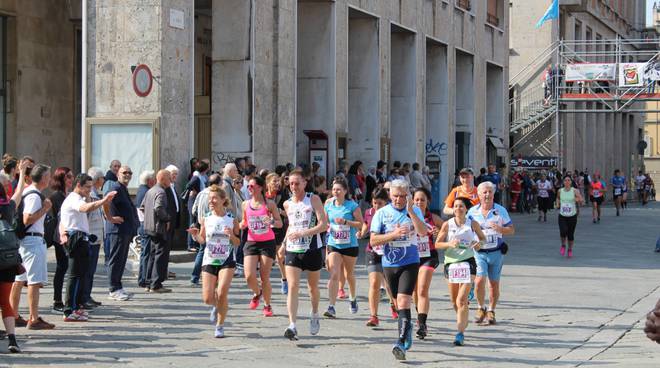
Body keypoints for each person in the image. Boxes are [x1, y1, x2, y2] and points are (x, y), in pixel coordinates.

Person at [370, 179, 428, 361]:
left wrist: (411, 211)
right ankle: (407, 328)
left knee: (404, 301)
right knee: (396, 303)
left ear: (408, 196)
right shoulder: (381, 213)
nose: (399, 200)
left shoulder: (414, 210)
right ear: (390, 195)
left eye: (403, 196)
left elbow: (423, 232)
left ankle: (400, 342)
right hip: (389, 263)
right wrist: (394, 235)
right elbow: (373, 241)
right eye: (395, 196)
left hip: (410, 261)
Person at [59, 174, 116, 321]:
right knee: (74, 275)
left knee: (81, 275)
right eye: (87, 187)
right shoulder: (74, 199)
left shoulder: (78, 198)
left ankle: (76, 307)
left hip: (82, 238)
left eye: (91, 187)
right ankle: (69, 310)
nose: (90, 190)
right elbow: (85, 208)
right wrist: (104, 200)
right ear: (79, 185)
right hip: (76, 239)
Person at [187, 185, 241, 338]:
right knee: (207, 298)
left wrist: (231, 235)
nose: (211, 201)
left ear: (223, 200)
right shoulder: (206, 218)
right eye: (209, 198)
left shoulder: (232, 219)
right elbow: (202, 240)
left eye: (214, 198)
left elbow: (238, 242)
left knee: (222, 292)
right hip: (209, 259)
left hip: (227, 260)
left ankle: (220, 325)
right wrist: (195, 236)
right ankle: (217, 306)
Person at [282, 170, 328, 340]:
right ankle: (292, 325)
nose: (293, 187)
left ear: (304, 183)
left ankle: (315, 313)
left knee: (312, 288)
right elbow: (291, 226)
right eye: (291, 183)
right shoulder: (287, 204)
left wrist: (304, 233)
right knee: (293, 286)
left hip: (312, 248)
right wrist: (284, 243)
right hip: (293, 249)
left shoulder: (313, 199)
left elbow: (324, 225)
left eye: (297, 183)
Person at [435, 196, 486, 346]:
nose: (458, 209)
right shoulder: (447, 224)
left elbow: (483, 240)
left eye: (461, 206)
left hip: (468, 263)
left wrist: (478, 244)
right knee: (454, 301)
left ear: (466, 209)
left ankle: (460, 332)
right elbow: (437, 244)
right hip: (451, 264)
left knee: (461, 300)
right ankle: (462, 319)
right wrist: (449, 244)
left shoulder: (473, 224)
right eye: (455, 206)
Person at [10, 164, 55, 330]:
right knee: (33, 281)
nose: (49, 179)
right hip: (32, 241)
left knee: (19, 279)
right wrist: (45, 209)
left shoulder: (29, 192)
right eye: (48, 175)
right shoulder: (34, 196)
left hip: (27, 241)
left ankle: (13, 314)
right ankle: (33, 318)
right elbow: (27, 218)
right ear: (43, 178)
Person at [468, 181, 515, 326]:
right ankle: (480, 308)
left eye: (490, 192)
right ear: (479, 194)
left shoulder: (500, 210)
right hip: (479, 252)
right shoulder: (472, 212)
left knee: (493, 285)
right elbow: (466, 231)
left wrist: (501, 229)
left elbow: (512, 230)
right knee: (479, 281)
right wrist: (471, 242)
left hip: (496, 253)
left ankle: (491, 310)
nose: (487, 195)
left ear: (494, 194)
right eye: (484, 192)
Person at [241, 175, 283, 317]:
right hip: (251, 241)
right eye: (248, 186)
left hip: (267, 242)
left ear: (260, 187)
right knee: (248, 275)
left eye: (252, 186)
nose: (249, 188)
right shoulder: (245, 204)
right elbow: (244, 222)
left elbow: (280, 223)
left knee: (264, 277)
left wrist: (271, 221)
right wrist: (239, 225)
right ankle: (257, 293)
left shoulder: (269, 204)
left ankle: (267, 305)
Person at [323, 177, 363, 318]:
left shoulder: (352, 206)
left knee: (349, 274)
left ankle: (352, 298)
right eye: (334, 189)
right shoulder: (328, 204)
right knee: (334, 274)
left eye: (339, 189)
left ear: (345, 191)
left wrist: (346, 221)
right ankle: (331, 306)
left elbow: (360, 224)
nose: (336, 192)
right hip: (334, 243)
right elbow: (325, 222)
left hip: (350, 245)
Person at [358, 188, 397, 327]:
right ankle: (373, 316)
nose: (376, 206)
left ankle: (393, 304)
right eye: (374, 203)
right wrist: (362, 233)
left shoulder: (392, 214)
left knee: (390, 284)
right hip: (372, 251)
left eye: (379, 203)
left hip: (389, 251)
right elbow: (365, 224)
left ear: (386, 202)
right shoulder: (369, 212)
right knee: (374, 282)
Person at [0, 160, 27, 352]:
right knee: (5, 301)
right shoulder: (7, 208)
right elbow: (18, 193)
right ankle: (12, 340)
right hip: (7, 261)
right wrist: (23, 172)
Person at [411, 188, 443, 340]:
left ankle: (422, 325)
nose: (419, 202)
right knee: (415, 292)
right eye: (416, 199)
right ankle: (419, 314)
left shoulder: (433, 218)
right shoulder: (407, 217)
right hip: (411, 257)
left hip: (429, 256)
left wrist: (438, 233)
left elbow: (448, 230)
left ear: (427, 202)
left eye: (422, 200)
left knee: (422, 289)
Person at [104, 165, 138, 301]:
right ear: (118, 174)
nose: (128, 175)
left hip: (125, 231)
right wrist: (110, 218)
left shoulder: (123, 189)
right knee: (116, 260)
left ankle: (118, 286)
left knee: (121, 260)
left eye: (130, 172)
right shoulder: (116, 188)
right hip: (117, 230)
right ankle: (113, 289)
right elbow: (106, 203)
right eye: (124, 172)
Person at [141, 170, 173, 293]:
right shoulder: (160, 192)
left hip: (149, 227)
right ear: (163, 179)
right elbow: (158, 208)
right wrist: (167, 218)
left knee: (152, 255)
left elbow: (143, 207)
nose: (170, 180)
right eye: (169, 178)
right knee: (160, 256)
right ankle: (156, 284)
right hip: (158, 228)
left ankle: (149, 282)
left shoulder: (150, 190)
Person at [49, 167, 74, 312]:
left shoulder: (68, 195)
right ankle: (57, 300)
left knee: (67, 268)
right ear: (61, 178)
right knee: (61, 267)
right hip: (60, 237)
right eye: (68, 177)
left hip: (69, 236)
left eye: (71, 176)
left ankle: (67, 299)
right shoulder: (56, 197)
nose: (71, 179)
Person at [190, 174, 222, 286]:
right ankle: (200, 276)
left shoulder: (201, 193)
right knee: (207, 251)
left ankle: (199, 277)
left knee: (203, 251)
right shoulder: (215, 195)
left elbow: (194, 209)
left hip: (201, 223)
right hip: (211, 225)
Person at [82, 167, 107, 309]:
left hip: (96, 238)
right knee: (87, 270)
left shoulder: (96, 194)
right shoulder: (90, 195)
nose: (104, 180)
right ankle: (84, 297)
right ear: (98, 180)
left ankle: (87, 295)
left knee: (91, 271)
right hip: (90, 238)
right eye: (102, 178)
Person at [265, 173, 289, 295]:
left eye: (278, 181)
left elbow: (289, 212)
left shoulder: (282, 195)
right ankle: (265, 282)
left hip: (279, 228)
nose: (277, 183)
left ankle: (284, 279)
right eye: (274, 181)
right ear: (268, 183)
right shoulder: (263, 197)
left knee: (280, 256)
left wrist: (279, 211)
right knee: (267, 258)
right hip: (265, 229)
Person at [556, 175, 584, 258]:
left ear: (571, 182)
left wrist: (577, 199)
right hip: (562, 215)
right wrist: (557, 203)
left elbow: (581, 200)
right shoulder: (560, 191)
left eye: (568, 180)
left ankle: (570, 249)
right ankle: (563, 245)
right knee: (563, 231)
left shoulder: (574, 191)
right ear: (563, 182)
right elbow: (557, 198)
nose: (567, 182)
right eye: (565, 180)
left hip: (572, 216)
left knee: (570, 234)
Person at [136, 170, 155, 288]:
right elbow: (144, 209)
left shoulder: (142, 189)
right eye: (153, 179)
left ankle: (144, 277)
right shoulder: (145, 191)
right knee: (146, 253)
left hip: (144, 224)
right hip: (146, 225)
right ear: (149, 180)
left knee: (146, 252)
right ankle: (143, 278)